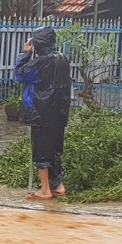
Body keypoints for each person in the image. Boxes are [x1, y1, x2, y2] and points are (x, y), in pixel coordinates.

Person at [14, 25, 71, 200]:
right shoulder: (62, 58)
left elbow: (21, 74)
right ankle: (58, 186)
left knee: (41, 151)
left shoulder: (41, 61)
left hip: (41, 111)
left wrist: (25, 55)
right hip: (59, 113)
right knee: (55, 149)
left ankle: (45, 190)